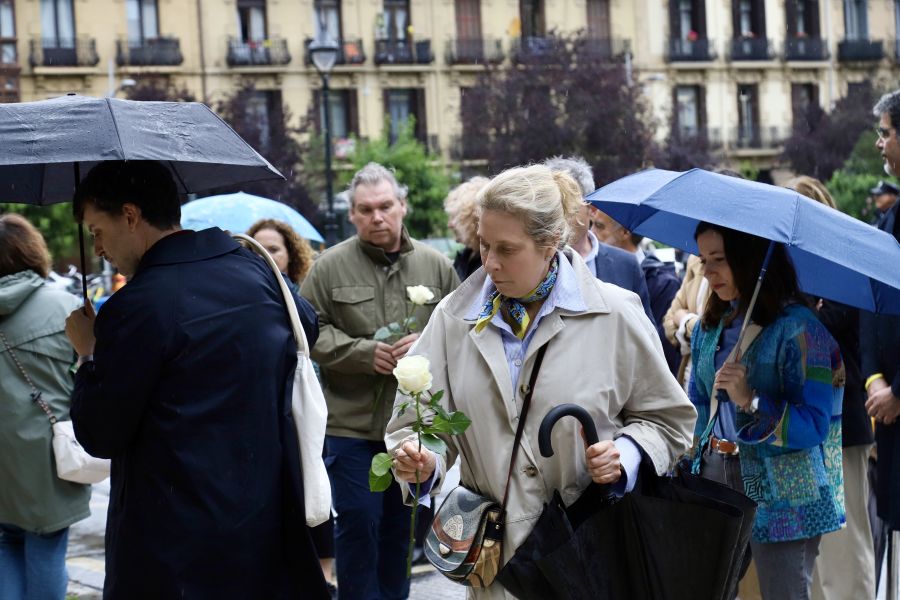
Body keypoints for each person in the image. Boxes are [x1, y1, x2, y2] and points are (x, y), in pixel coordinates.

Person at [385, 164, 696, 600]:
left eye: (507, 249)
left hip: (588, 557)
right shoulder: (452, 319)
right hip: (496, 569)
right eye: (484, 244)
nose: (490, 263)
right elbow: (418, 426)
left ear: (551, 244)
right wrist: (425, 462)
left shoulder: (616, 313)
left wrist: (624, 455)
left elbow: (669, 421)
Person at [63, 160, 328, 599]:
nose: (98, 248)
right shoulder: (255, 270)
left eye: (97, 230)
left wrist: (87, 353)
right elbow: (306, 329)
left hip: (174, 546)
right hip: (264, 521)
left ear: (130, 216)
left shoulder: (137, 306)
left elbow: (100, 433)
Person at [300, 162, 459, 599]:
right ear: (352, 214)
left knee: (400, 530)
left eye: (386, 206)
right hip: (350, 426)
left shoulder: (436, 265)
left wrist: (425, 343)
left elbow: (462, 330)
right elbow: (309, 332)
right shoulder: (328, 267)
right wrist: (364, 354)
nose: (377, 217)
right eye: (365, 209)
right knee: (358, 523)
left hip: (414, 427)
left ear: (402, 206)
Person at [689, 221, 845, 600]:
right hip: (716, 475)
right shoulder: (709, 327)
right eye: (703, 259)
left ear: (751, 261)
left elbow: (815, 425)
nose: (707, 272)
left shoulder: (802, 331)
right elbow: (697, 401)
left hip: (786, 489)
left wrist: (752, 399)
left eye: (719, 260)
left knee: (784, 593)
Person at [782, 176, 876, 600]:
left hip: (843, 424)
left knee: (845, 539)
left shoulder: (845, 271)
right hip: (804, 427)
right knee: (814, 552)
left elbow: (835, 334)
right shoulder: (790, 277)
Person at [0, 214, 90, 600]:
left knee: (4, 544)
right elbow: (92, 376)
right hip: (48, 461)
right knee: (48, 548)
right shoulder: (67, 306)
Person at [248, 218, 336, 595]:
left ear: (291, 253)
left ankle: (325, 576)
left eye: (274, 248)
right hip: (268, 412)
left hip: (307, 407)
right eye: (255, 247)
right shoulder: (246, 297)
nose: (265, 254)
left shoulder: (299, 295)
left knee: (314, 490)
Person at [862, 89, 900, 593]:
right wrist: (875, 381)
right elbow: (873, 310)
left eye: (886, 132)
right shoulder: (890, 219)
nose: (879, 145)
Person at [542, 156, 654, 321]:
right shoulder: (532, 263)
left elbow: (644, 335)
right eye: (545, 205)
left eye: (563, 203)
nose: (553, 213)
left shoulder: (626, 265)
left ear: (592, 209)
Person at [590, 207, 681, 374]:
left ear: (625, 232)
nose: (592, 232)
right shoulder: (593, 270)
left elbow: (657, 351)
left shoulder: (662, 283)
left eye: (599, 226)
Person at [663, 255, 708, 391]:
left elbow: (714, 336)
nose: (707, 269)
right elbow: (669, 321)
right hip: (688, 374)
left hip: (712, 380)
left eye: (717, 259)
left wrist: (684, 320)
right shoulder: (694, 260)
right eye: (704, 261)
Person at [248, 218, 316, 291]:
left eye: (273, 250)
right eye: (257, 250)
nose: (264, 256)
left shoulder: (306, 294)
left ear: (290, 254)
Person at [445, 177, 489, 281]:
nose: (449, 225)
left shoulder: (488, 263)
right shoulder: (466, 256)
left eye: (454, 217)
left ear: (472, 220)